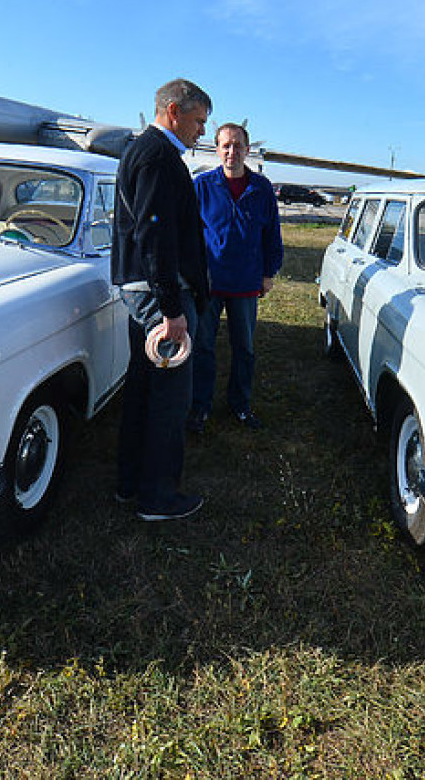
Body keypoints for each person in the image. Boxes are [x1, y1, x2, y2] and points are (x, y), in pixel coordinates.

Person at [112, 78, 212, 521]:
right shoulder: (157, 156)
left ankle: (130, 483)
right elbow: (154, 232)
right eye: (197, 121)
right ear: (174, 112)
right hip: (160, 294)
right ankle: (158, 496)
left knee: (143, 388)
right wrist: (171, 310)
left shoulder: (145, 151)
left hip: (145, 290)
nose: (201, 132)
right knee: (171, 398)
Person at [188, 121, 283, 432]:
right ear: (217, 149)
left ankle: (240, 404)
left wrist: (268, 272)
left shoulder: (262, 188)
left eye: (238, 145)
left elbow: (272, 235)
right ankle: (200, 407)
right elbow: (188, 235)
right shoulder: (202, 186)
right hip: (210, 283)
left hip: (245, 282)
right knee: (203, 346)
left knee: (244, 347)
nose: (232, 151)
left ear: (247, 149)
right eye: (226, 145)